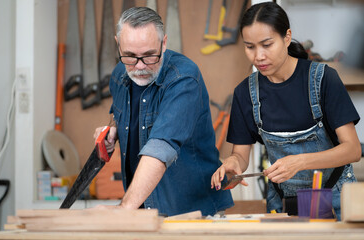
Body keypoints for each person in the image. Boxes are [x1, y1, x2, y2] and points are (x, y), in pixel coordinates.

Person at [211, 2, 361, 220]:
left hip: (336, 198)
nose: (258, 56)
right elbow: (240, 155)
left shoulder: (323, 79)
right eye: (250, 46)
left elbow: (353, 150)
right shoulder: (245, 93)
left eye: (267, 44)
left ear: (287, 37)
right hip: (283, 203)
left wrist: (299, 162)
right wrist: (233, 164)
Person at [94, 7, 233, 217]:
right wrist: (113, 129)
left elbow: (161, 147)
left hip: (190, 212)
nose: (139, 66)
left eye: (149, 55)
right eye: (130, 56)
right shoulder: (119, 75)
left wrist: (124, 208)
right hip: (141, 212)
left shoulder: (183, 78)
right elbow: (120, 112)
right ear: (118, 44)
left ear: (164, 43)